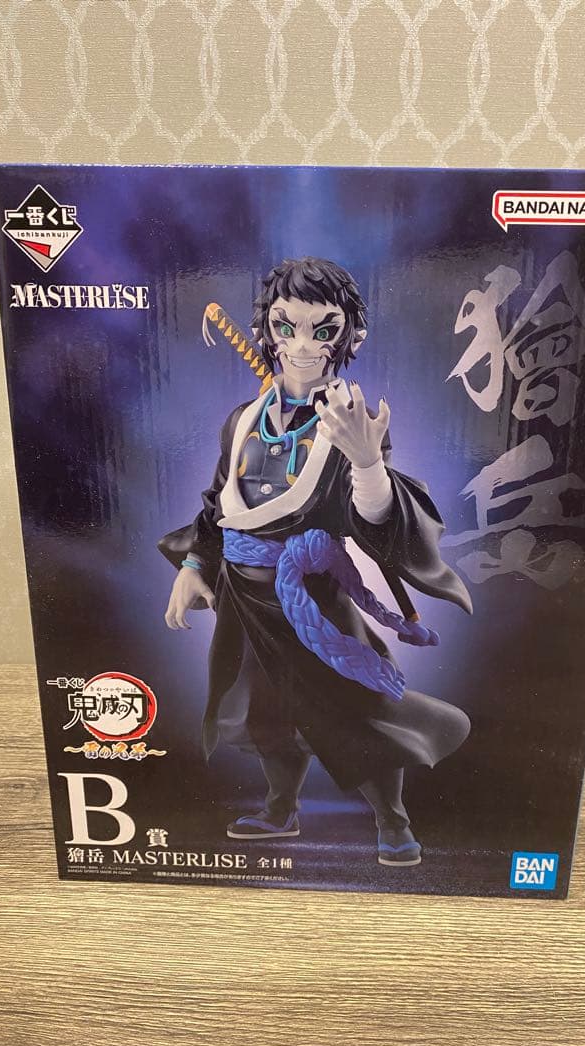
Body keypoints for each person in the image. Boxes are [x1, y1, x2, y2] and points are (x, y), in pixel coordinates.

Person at [159, 256, 471, 867]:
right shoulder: (243, 420)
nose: (302, 345)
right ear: (267, 330)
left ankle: (393, 819)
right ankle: (281, 809)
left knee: (356, 710)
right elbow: (217, 502)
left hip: (313, 595)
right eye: (286, 327)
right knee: (264, 711)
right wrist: (194, 565)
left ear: (350, 335)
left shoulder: (352, 422)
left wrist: (368, 463)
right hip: (244, 595)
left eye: (322, 329)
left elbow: (374, 521)